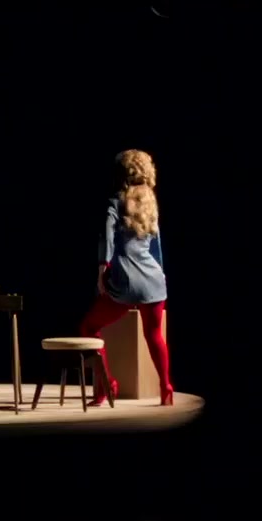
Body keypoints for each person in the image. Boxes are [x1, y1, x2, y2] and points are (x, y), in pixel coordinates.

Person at [78, 149, 174, 406]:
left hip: (126, 279)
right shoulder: (150, 203)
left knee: (89, 328)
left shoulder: (115, 202)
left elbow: (107, 238)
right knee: (154, 335)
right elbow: (157, 247)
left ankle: (106, 385)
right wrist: (161, 274)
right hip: (153, 280)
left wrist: (102, 270)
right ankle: (165, 386)